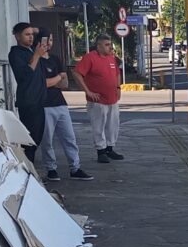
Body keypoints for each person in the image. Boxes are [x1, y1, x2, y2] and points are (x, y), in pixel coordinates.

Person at [34, 28, 93, 181]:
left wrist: (54, 81)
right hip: (43, 106)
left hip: (60, 104)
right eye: (46, 40)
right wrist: (55, 79)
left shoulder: (55, 59)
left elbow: (64, 83)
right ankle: (51, 169)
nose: (49, 44)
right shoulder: (35, 60)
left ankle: (75, 167)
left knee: (69, 138)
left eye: (51, 40)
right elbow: (41, 84)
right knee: (47, 140)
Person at [73, 34, 124, 164]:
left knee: (113, 125)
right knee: (98, 126)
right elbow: (77, 73)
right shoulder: (90, 58)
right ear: (99, 45)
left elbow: (117, 74)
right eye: (106, 45)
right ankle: (100, 151)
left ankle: (110, 148)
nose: (109, 47)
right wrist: (88, 91)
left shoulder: (111, 58)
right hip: (97, 101)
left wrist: (118, 88)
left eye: (110, 44)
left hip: (112, 99)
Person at [8, 22, 48, 162]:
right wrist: (36, 56)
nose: (31, 38)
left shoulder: (31, 50)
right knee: (29, 141)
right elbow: (24, 76)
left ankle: (31, 169)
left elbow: (45, 31)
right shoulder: (16, 53)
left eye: (32, 34)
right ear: (17, 36)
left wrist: (37, 29)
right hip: (28, 102)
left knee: (37, 138)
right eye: (27, 34)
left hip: (39, 101)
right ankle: (28, 170)